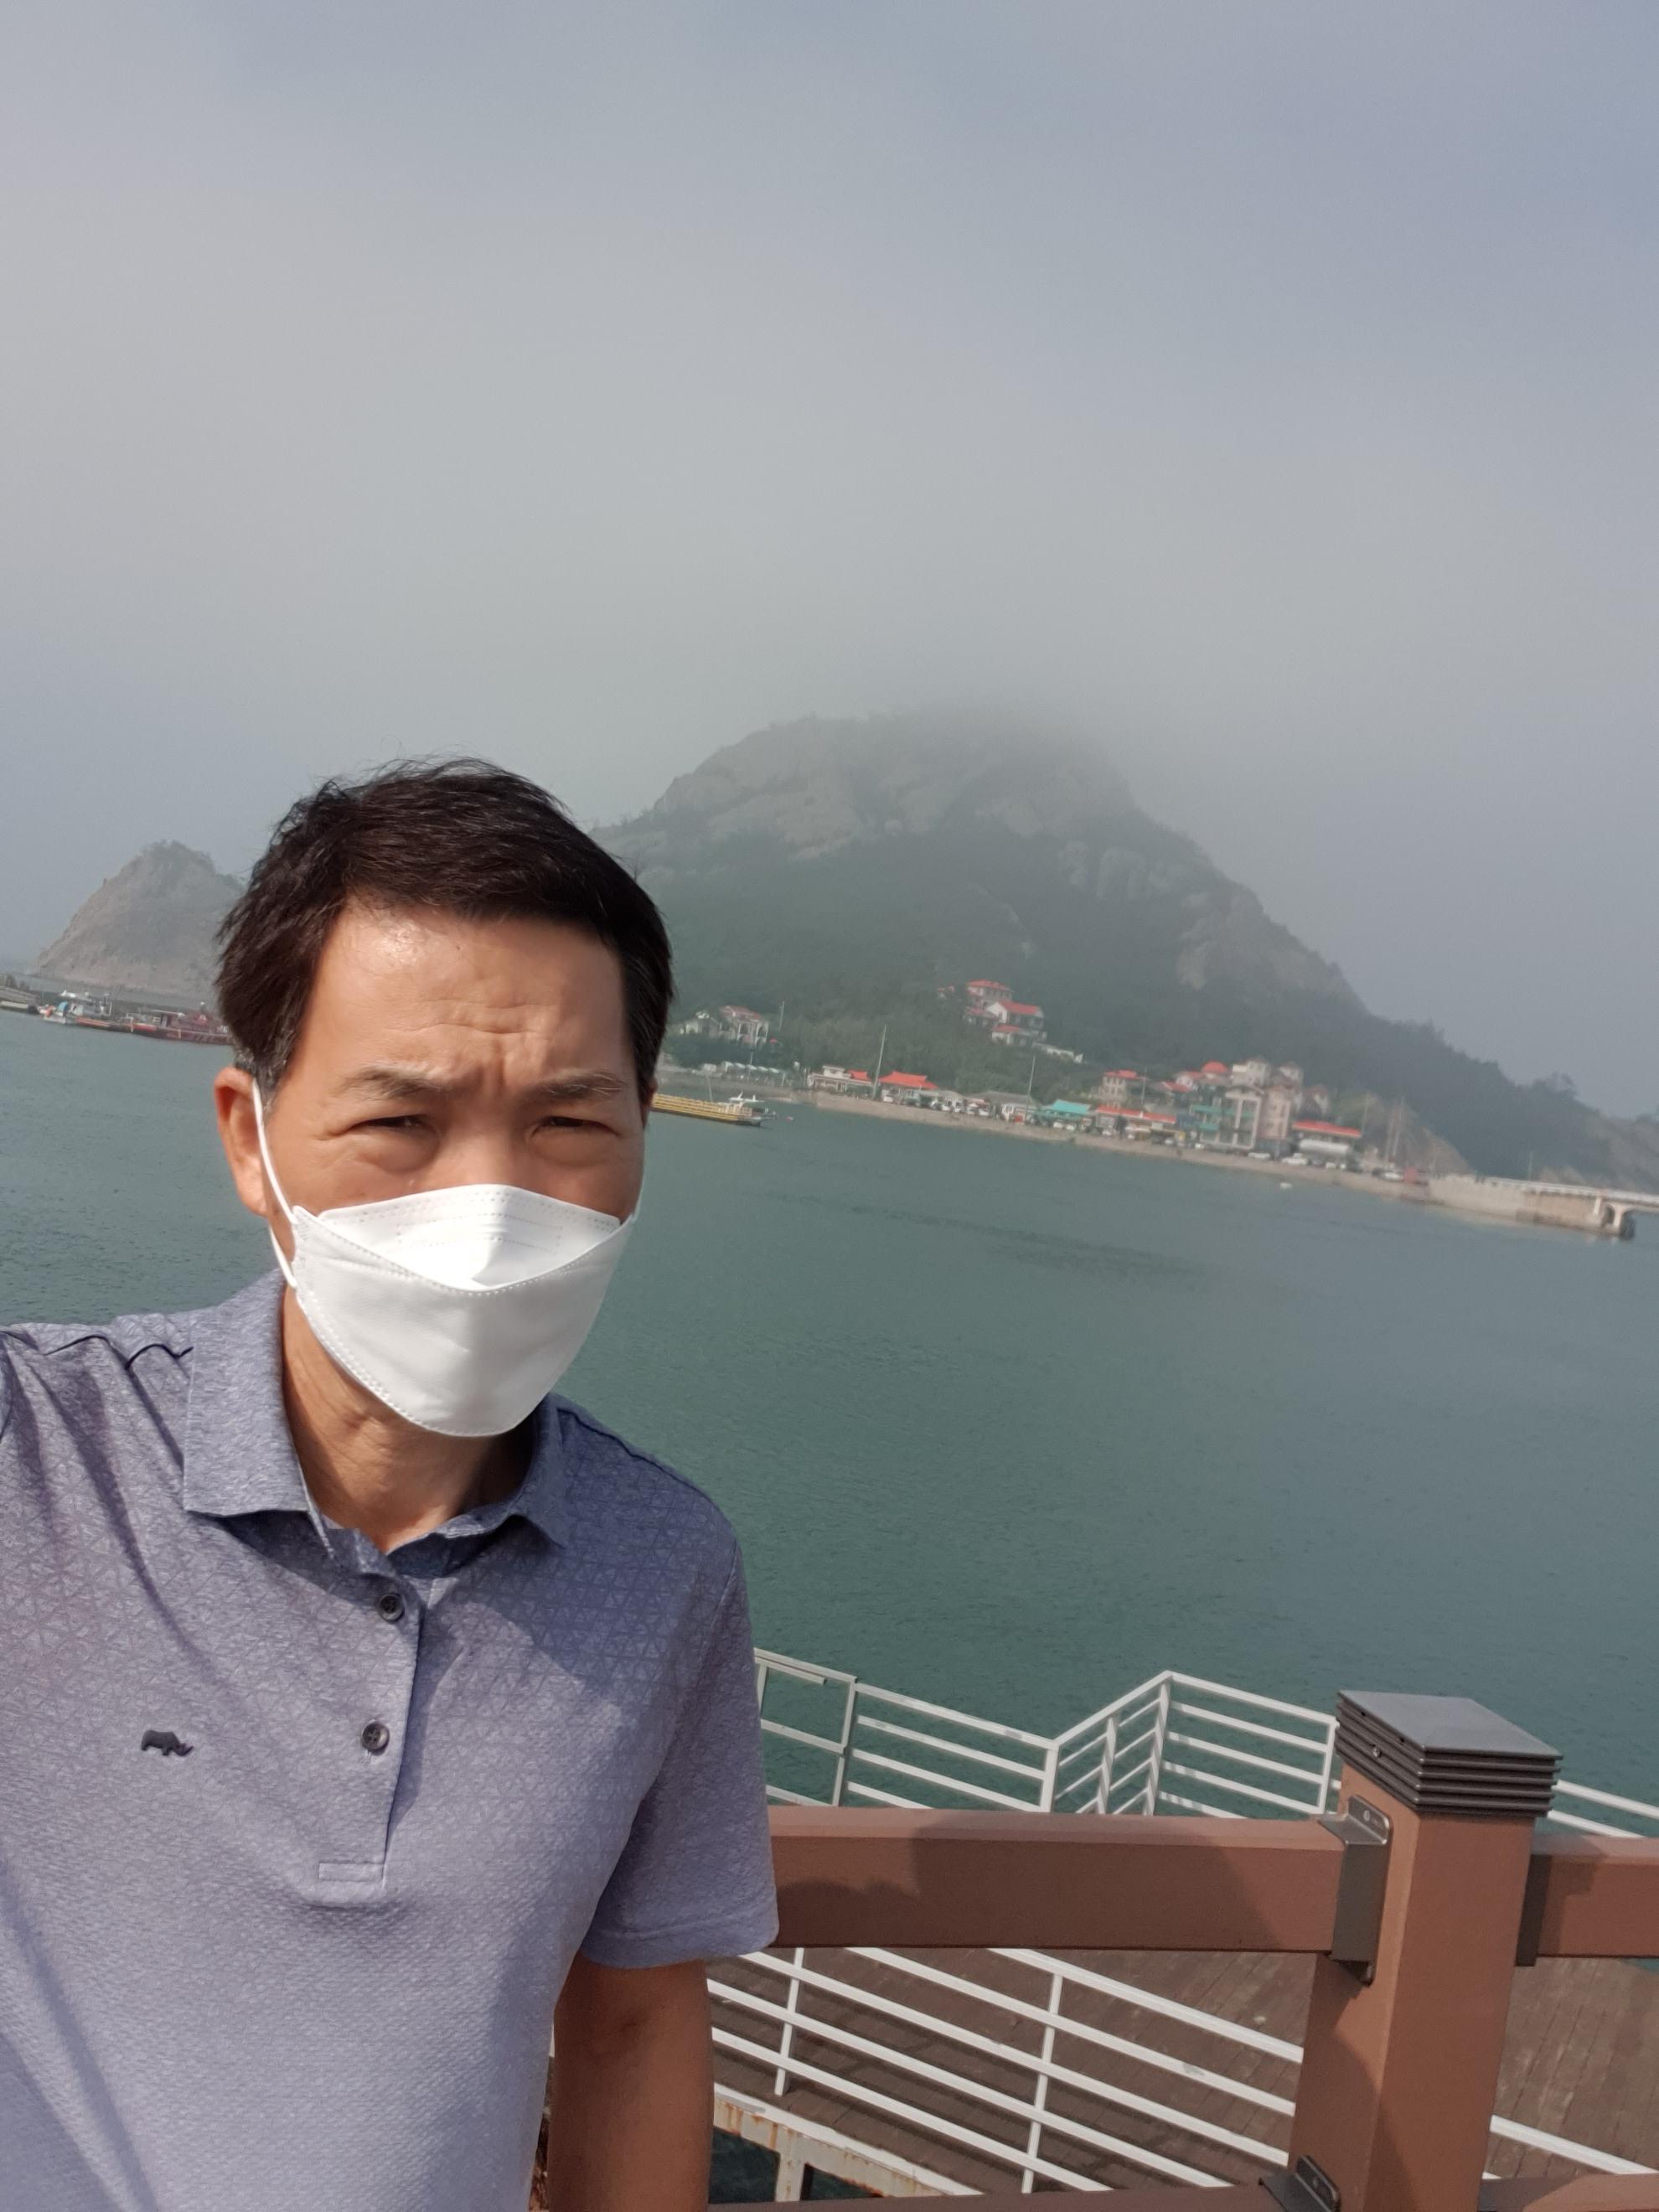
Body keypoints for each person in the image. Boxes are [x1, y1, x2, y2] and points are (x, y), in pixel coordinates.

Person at [0, 761, 778, 2212]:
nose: (485, 1211)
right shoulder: (37, 1457)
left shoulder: (666, 1565)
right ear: (251, 1138)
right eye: (400, 1124)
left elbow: (634, 2022)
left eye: (568, 1124)